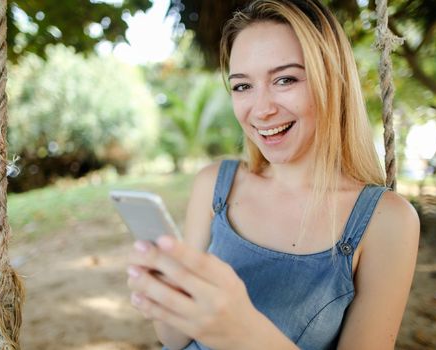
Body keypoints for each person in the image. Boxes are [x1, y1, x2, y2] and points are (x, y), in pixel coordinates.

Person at [126, 0, 420, 349]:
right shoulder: (214, 185)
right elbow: (173, 339)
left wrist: (242, 329)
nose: (262, 110)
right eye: (242, 86)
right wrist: (164, 296)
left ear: (333, 82)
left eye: (285, 79)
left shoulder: (386, 220)